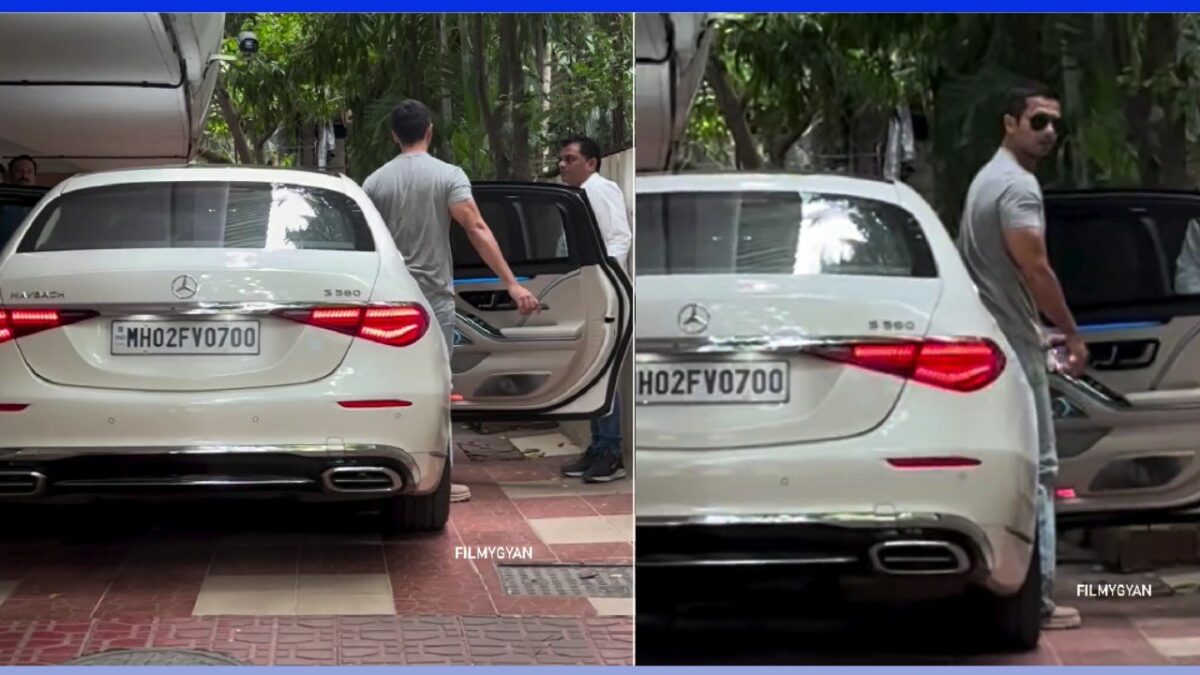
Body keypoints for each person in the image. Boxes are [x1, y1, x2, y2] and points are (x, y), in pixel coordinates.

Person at [363, 99, 540, 504]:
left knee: (390, 386)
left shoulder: (374, 182)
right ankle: (438, 479)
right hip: (433, 301)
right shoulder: (449, 175)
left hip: (388, 301)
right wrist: (511, 283)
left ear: (394, 134)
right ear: (429, 130)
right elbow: (475, 226)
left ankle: (389, 468)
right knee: (437, 388)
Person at [957, 84, 1087, 631]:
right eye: (1038, 121)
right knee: (1042, 471)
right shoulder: (1017, 187)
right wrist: (1072, 335)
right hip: (1015, 346)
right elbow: (1035, 267)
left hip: (998, 339)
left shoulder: (987, 180)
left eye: (1055, 123)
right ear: (1010, 123)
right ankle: (1038, 601)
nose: (1049, 132)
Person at [556, 135, 631, 483]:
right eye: (562, 159)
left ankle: (611, 453)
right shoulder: (576, 196)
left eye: (570, 159)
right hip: (588, 291)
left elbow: (619, 238)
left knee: (604, 373)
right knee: (590, 372)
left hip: (605, 294)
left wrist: (605, 280)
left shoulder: (601, 190)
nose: (562, 165)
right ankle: (598, 446)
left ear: (592, 163)